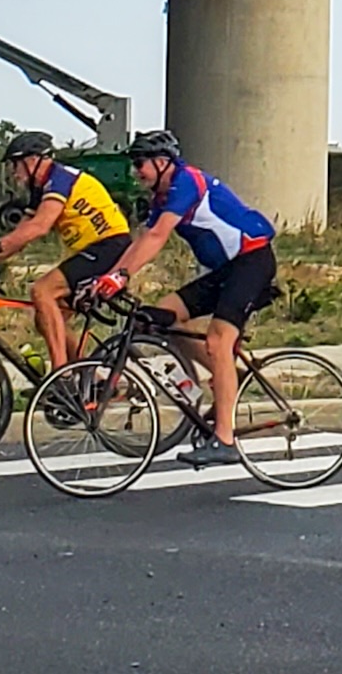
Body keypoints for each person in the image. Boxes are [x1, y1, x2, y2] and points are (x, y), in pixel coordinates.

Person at [84, 130, 277, 467]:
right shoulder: (162, 198)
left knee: (218, 340)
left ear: (162, 162)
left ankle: (225, 440)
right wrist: (107, 278)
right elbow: (143, 240)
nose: (136, 172)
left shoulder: (186, 182)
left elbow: (158, 236)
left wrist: (121, 277)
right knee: (162, 317)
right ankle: (224, 378)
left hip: (252, 261)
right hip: (225, 270)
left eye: (140, 164)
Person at [0, 130, 130, 372]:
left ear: (33, 160)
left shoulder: (59, 179)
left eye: (15, 164)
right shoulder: (41, 188)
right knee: (47, 320)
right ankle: (88, 377)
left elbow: (40, 227)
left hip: (109, 247)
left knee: (42, 291)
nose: (13, 172)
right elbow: (21, 234)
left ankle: (60, 375)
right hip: (94, 250)